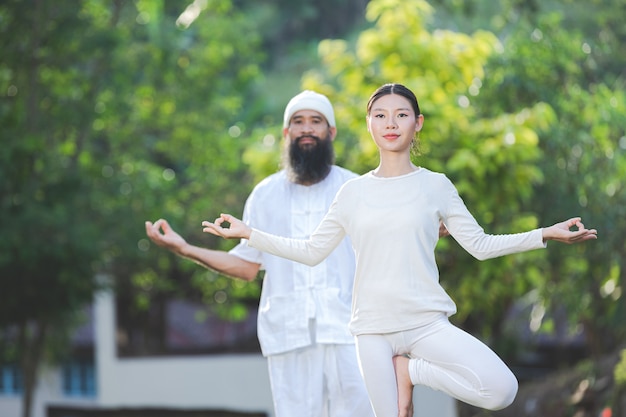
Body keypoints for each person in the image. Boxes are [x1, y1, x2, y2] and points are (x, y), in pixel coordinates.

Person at [201, 83, 598, 417]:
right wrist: (249, 233)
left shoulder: (436, 186)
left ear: (417, 123)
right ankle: (404, 371)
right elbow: (310, 251)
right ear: (369, 125)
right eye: (380, 115)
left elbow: (480, 245)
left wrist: (545, 233)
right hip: (371, 331)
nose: (391, 123)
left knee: (501, 390)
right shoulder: (351, 192)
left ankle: (412, 372)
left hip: (426, 323)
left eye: (401, 115)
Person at [146, 90, 377, 417]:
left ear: (331, 132)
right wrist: (184, 248)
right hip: (288, 337)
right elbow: (246, 266)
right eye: (298, 122)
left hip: (351, 335)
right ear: (287, 133)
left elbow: (388, 245)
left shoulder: (357, 190)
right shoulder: (265, 195)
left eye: (316, 121)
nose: (307, 128)